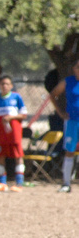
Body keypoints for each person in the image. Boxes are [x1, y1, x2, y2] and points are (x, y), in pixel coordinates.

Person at [0, 75, 28, 192]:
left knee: (18, 156)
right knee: (0, 156)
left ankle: (19, 183)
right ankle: (2, 183)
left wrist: (11, 117)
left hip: (14, 134)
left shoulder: (16, 97)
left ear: (11, 86)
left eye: (7, 84)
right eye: (2, 84)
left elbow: (23, 114)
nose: (4, 86)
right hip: (0, 134)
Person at [49, 58, 79, 193]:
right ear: (74, 69)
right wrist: (61, 113)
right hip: (72, 121)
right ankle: (66, 183)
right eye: (78, 67)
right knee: (70, 151)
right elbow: (53, 95)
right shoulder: (68, 82)